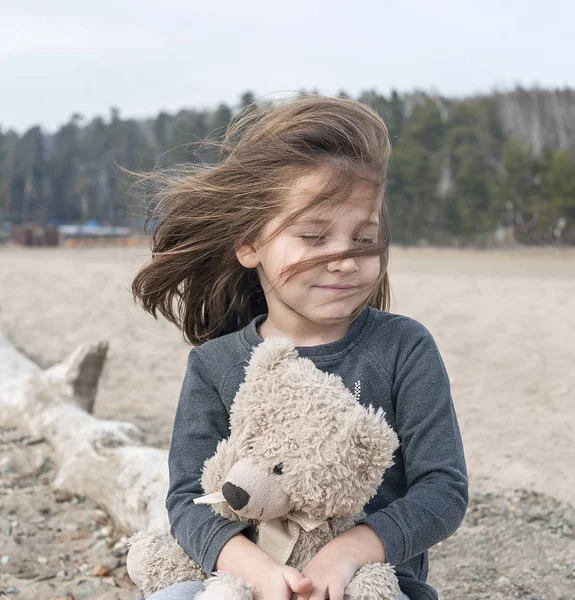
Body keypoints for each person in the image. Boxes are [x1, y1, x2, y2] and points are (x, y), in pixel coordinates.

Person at [131, 95, 468, 600]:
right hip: (240, 585)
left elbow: (443, 490)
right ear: (249, 244)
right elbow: (187, 500)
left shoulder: (404, 347)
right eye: (314, 235)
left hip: (370, 584)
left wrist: (349, 551)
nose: (344, 260)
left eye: (364, 239)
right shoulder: (214, 365)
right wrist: (260, 574)